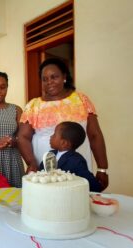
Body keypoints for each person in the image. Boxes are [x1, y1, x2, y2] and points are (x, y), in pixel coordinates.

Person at [18, 58, 108, 190]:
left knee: (77, 196)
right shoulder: (33, 105)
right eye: (45, 79)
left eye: (54, 77)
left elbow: (95, 135)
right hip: (44, 170)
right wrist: (31, 163)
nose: (49, 82)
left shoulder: (81, 100)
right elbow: (23, 137)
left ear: (64, 77)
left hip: (76, 165)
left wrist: (102, 168)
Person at [40, 122, 104, 192]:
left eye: (54, 134)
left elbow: (89, 183)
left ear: (64, 143)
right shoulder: (50, 154)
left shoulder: (77, 161)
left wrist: (98, 187)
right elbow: (41, 171)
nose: (51, 136)